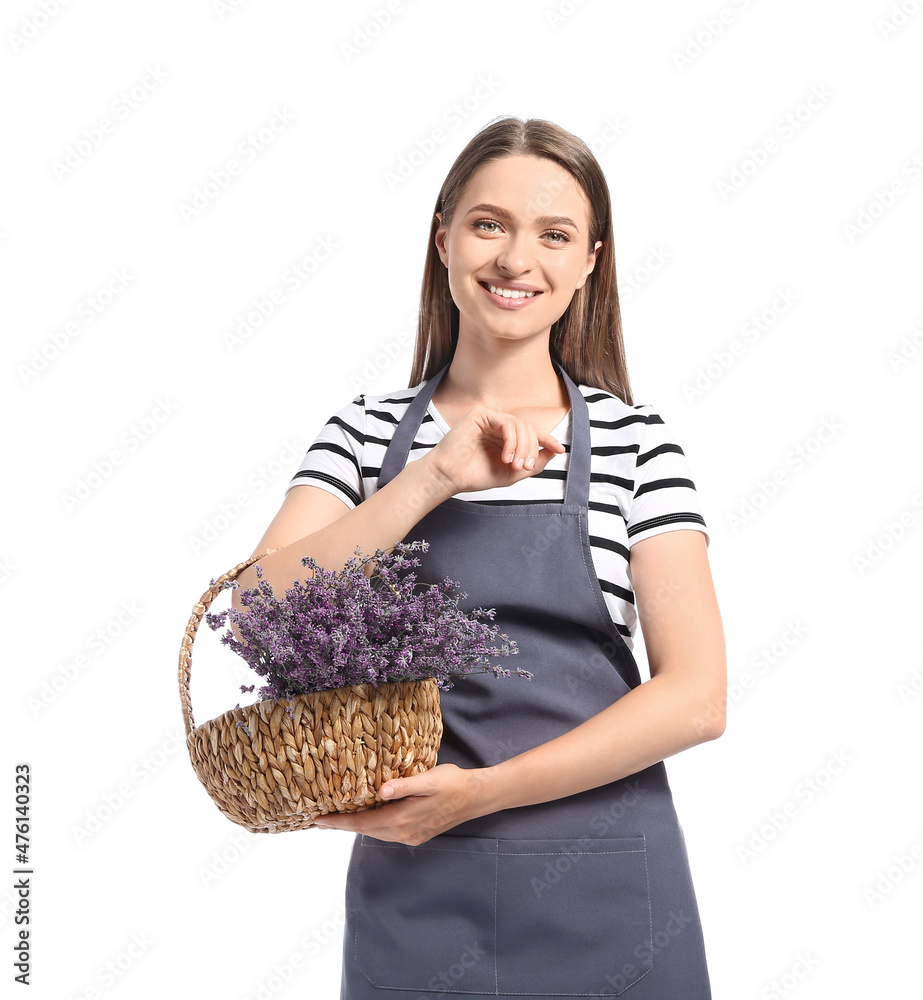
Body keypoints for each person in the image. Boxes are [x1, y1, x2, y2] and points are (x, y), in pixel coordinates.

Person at [236, 115, 726, 1000]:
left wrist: (480, 793)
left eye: (555, 233)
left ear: (590, 262)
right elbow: (256, 612)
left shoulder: (637, 445)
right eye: (489, 223)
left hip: (612, 897)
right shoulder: (366, 433)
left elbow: (696, 698)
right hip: (418, 902)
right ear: (444, 239)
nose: (516, 259)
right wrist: (435, 477)